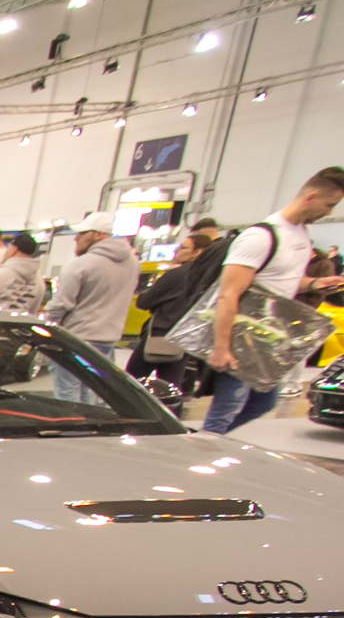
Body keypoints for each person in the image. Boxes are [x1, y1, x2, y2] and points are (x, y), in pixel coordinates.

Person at [203, 168, 344, 433]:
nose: (329, 212)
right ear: (310, 197)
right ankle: (203, 446)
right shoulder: (260, 237)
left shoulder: (301, 234)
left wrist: (314, 283)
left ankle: (210, 442)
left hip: (268, 338)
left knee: (264, 403)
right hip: (241, 337)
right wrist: (221, 347)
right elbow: (228, 293)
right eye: (329, 205)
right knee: (226, 408)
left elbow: (284, 279)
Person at [40, 211, 141, 402]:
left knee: (67, 393)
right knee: (91, 393)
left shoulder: (82, 264)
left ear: (98, 235)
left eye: (81, 233)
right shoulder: (133, 263)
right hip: (107, 341)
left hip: (77, 339)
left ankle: (72, 423)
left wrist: (46, 328)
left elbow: (61, 304)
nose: (76, 239)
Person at [127, 232, 209, 380]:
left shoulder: (177, 274)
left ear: (197, 252)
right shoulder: (207, 277)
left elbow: (144, 302)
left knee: (131, 381)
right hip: (184, 339)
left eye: (182, 247)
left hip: (160, 335)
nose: (176, 251)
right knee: (170, 384)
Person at [0, 232, 43, 312]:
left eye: (8, 248)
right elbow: (33, 312)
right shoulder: (40, 282)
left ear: (14, 250)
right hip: (21, 320)